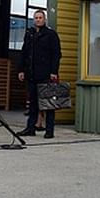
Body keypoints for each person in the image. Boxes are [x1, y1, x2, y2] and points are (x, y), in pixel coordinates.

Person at [17, 9, 61, 139]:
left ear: (44, 19)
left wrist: (54, 71)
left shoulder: (51, 35)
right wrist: (21, 70)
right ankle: (30, 128)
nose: (38, 20)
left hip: (46, 73)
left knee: (48, 103)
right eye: (36, 18)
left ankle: (49, 130)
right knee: (33, 103)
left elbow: (56, 54)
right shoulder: (29, 34)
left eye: (40, 17)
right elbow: (24, 53)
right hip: (31, 73)